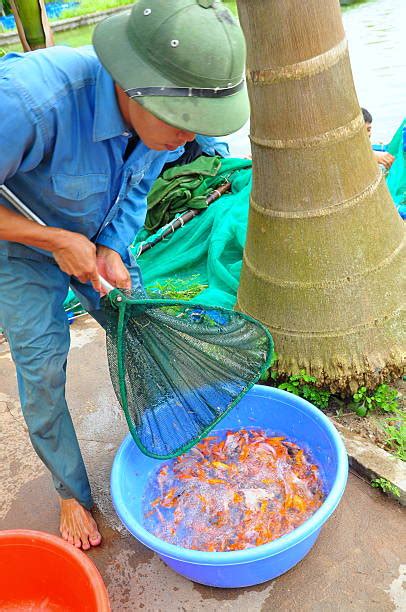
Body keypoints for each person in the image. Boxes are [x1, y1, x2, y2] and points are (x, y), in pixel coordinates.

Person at [0, 0, 248, 550]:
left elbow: (136, 187)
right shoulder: (27, 101)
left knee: (135, 322)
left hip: (95, 235)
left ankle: (176, 430)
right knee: (41, 367)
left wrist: (110, 247)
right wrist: (54, 241)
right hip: (19, 247)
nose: (190, 140)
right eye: (183, 124)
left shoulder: (169, 129)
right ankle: (69, 489)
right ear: (133, 87)